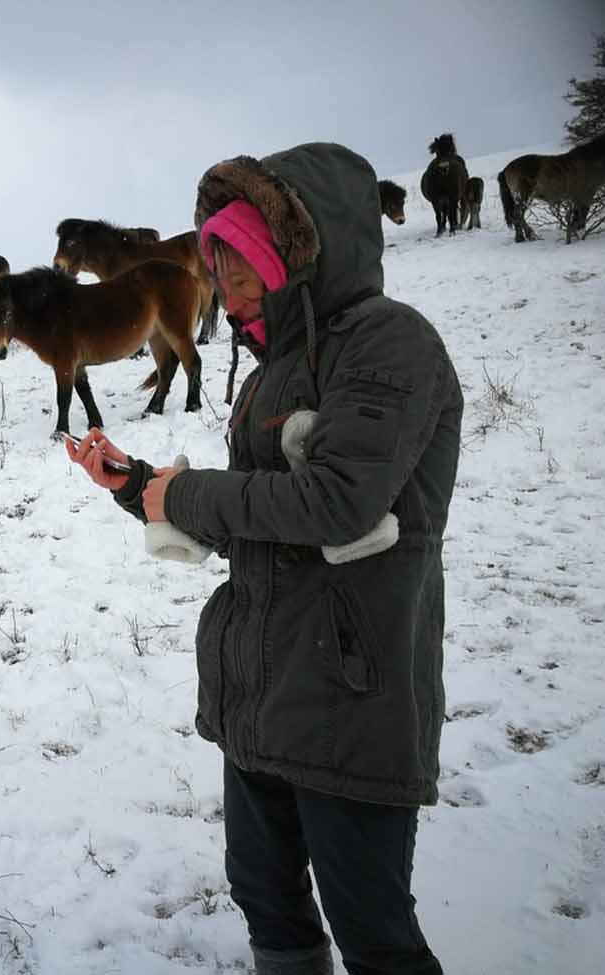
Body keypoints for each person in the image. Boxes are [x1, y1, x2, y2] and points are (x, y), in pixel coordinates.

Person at [66, 143, 462, 975]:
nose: (228, 293)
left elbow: (337, 501)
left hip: (352, 692)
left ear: (297, 254)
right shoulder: (268, 374)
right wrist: (139, 485)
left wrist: (190, 494)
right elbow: (247, 514)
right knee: (266, 898)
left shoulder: (390, 344)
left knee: (372, 926)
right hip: (260, 687)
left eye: (241, 271)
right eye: (218, 273)